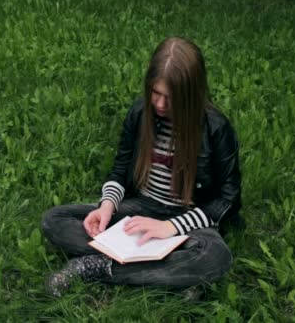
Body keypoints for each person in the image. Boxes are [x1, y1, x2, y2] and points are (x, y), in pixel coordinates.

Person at [41, 37, 242, 297]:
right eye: (155, 93)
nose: (159, 104)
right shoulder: (139, 114)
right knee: (54, 220)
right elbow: (120, 169)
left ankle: (100, 267)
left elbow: (229, 199)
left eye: (170, 98)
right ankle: (175, 273)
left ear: (191, 95)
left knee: (215, 256)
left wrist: (171, 227)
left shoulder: (216, 128)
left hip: (191, 218)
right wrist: (107, 206)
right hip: (142, 209)